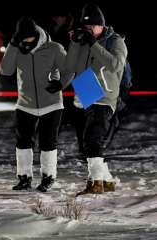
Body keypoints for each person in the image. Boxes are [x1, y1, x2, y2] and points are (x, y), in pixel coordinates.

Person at [1, 17, 73, 192]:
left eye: (30, 40)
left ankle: (48, 177)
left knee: (48, 142)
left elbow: (69, 69)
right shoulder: (17, 49)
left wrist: (61, 84)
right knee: (23, 142)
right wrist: (12, 45)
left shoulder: (54, 48)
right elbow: (5, 70)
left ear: (36, 36)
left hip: (52, 104)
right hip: (25, 104)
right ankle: (24, 178)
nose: (27, 43)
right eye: (23, 41)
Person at [63, 3, 128, 195]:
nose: (89, 30)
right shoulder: (83, 41)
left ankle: (95, 183)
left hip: (105, 94)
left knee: (93, 138)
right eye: (86, 27)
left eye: (92, 26)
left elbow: (115, 65)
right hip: (85, 93)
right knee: (87, 143)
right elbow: (70, 66)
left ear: (101, 25)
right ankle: (107, 181)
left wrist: (93, 44)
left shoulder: (115, 41)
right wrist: (75, 42)